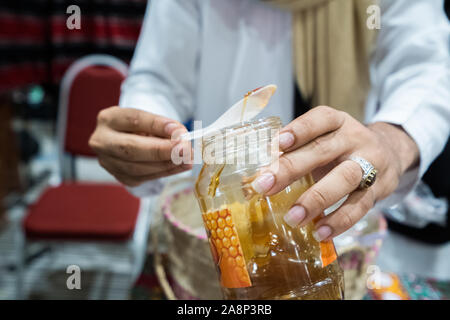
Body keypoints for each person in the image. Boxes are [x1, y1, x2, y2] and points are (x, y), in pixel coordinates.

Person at [89, 0, 450, 241]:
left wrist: (392, 141)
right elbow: (159, 79)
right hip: (226, 227)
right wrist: (142, 135)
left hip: (343, 225)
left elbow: (428, 66)